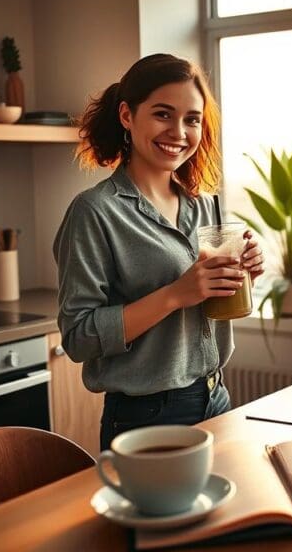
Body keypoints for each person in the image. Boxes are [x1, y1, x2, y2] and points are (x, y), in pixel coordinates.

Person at [53, 53, 264, 451]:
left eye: (192, 119)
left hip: (217, 398)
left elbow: (212, 306)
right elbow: (78, 338)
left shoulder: (205, 205)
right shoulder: (94, 212)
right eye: (163, 114)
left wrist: (244, 274)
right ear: (127, 116)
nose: (179, 132)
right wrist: (175, 294)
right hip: (146, 417)